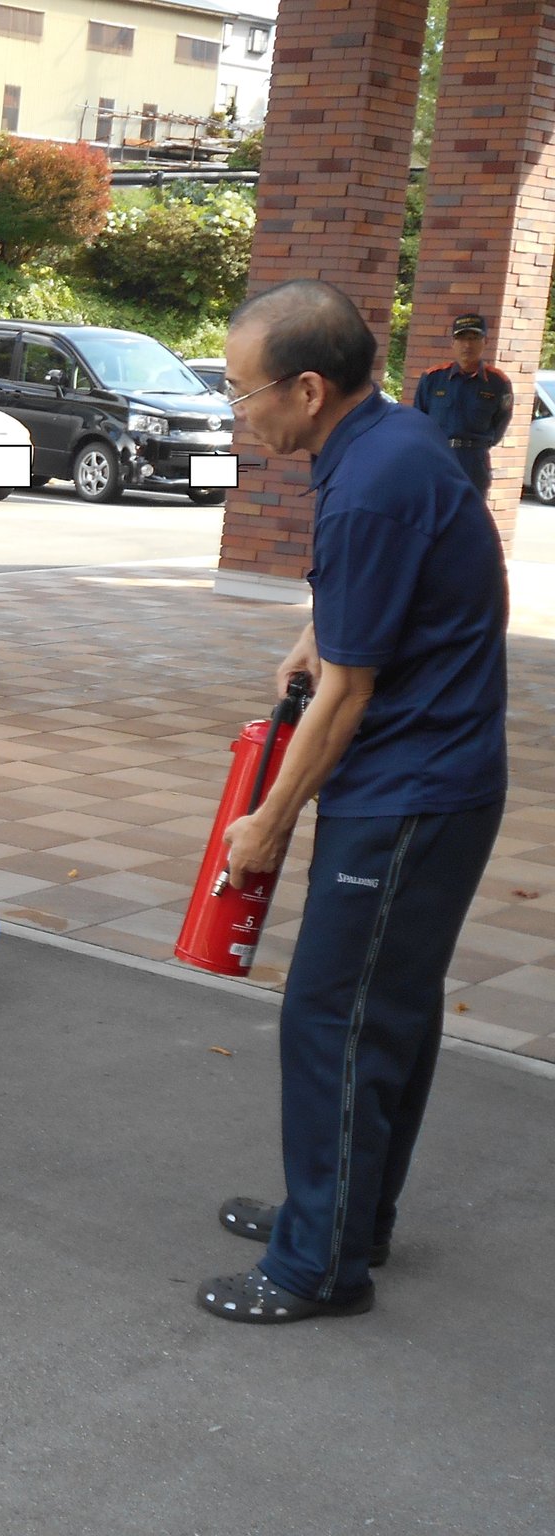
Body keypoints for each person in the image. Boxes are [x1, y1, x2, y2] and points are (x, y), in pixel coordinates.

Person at [202, 279, 507, 1324]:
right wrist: (319, 627)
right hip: (435, 778)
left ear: (306, 388)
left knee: (334, 1019)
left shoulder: (372, 482)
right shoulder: (391, 442)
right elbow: (381, 600)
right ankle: (342, 1218)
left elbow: (345, 696)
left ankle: (318, 1267)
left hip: (408, 791)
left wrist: (268, 821)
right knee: (387, 1014)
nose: (239, 415)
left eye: (244, 394)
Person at [412, 312, 513, 493]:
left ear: (485, 342)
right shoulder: (433, 378)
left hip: (474, 461)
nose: (467, 345)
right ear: (453, 342)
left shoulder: (498, 383)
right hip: (437, 457)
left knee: (471, 510)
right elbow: (418, 421)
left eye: (474, 338)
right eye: (462, 338)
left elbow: (500, 424)